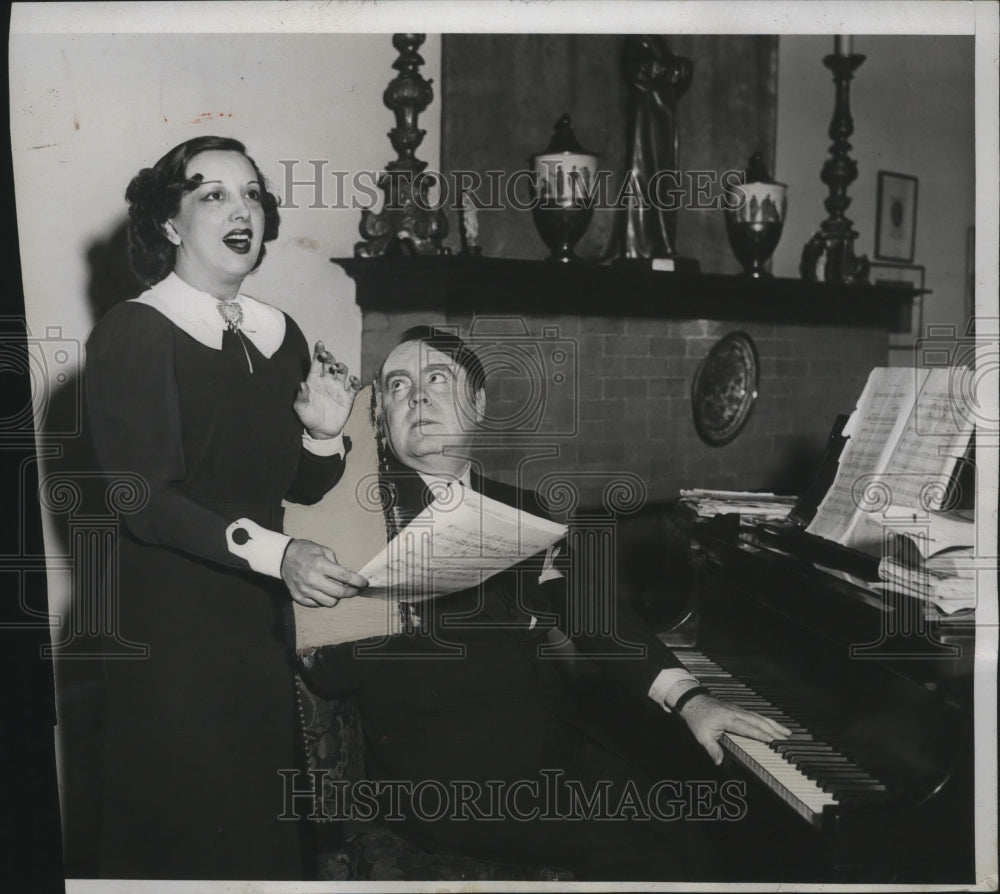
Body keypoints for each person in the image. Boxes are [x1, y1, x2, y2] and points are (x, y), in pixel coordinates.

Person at [303, 326, 789, 881]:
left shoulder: (522, 508)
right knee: (650, 856)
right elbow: (330, 671)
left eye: (437, 379)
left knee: (699, 833)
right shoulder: (356, 513)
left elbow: (592, 612)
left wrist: (690, 700)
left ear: (478, 403)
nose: (416, 398)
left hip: (554, 747)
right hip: (444, 781)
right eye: (397, 386)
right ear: (381, 416)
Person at [85, 136, 366, 880]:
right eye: (213, 194)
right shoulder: (133, 331)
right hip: (170, 637)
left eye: (252, 195)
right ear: (169, 222)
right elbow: (146, 500)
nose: (242, 210)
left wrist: (323, 432)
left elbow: (300, 486)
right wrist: (281, 554)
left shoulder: (279, 334)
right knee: (195, 844)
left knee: (262, 841)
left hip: (258, 628)